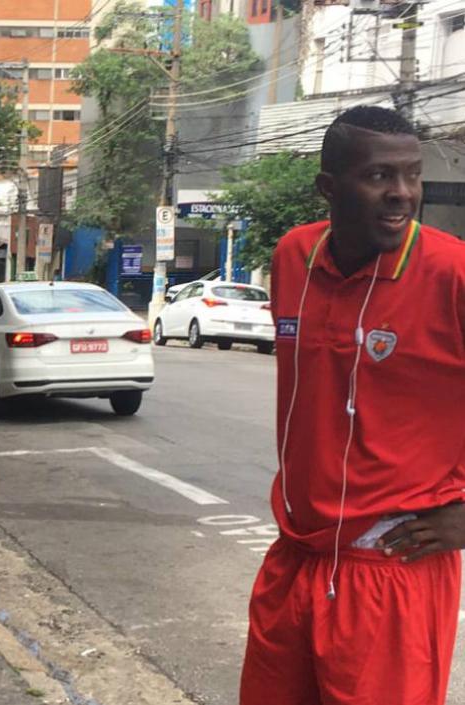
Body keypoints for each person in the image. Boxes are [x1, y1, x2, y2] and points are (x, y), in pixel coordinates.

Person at [240, 105, 465, 705]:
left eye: (412, 176)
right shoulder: (295, 256)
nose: (401, 195)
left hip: (390, 564)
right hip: (297, 554)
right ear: (328, 188)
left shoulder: (452, 274)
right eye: (378, 177)